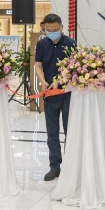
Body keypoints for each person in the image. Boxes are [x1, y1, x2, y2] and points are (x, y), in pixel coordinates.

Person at [34, 13, 77, 181]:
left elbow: (73, 68)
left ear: (61, 28)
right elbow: (38, 65)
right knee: (52, 133)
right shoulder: (41, 44)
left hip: (67, 94)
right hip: (50, 95)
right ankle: (54, 166)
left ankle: (71, 166)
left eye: (55, 30)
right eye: (48, 30)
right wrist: (43, 81)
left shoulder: (71, 43)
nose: (51, 32)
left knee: (70, 131)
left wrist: (59, 81)